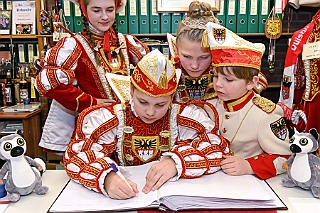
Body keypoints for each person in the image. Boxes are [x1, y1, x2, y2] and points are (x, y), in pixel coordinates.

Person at [63, 49, 230, 199]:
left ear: (172, 99)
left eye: (160, 105)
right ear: (131, 92)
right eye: (142, 102)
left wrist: (176, 162)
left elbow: (216, 148)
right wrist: (107, 178)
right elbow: (77, 155)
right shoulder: (111, 118)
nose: (150, 112)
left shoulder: (183, 117)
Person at [36, 0, 149, 152]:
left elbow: (155, 70)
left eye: (109, 10)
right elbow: (48, 83)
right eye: (97, 10)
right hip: (93, 128)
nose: (104, 16)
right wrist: (90, 102)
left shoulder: (125, 42)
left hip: (129, 129)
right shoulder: (75, 45)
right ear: (84, 10)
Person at [203, 22, 291, 180]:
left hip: (248, 185)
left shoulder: (265, 114)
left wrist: (250, 165)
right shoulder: (209, 106)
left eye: (228, 80)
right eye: (215, 76)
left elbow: (285, 157)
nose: (218, 84)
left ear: (251, 82)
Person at [167, 1, 268, 104]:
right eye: (187, 57)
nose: (194, 66)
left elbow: (258, 82)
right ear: (176, 48)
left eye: (204, 57)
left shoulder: (228, 69)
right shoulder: (166, 72)